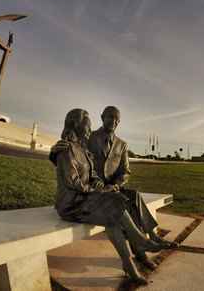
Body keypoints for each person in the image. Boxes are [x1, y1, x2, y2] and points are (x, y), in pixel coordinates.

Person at [50, 106, 176, 270]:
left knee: (133, 197)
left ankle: (148, 240)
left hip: (105, 187)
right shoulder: (88, 136)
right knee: (119, 206)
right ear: (102, 117)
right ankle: (141, 247)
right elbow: (70, 160)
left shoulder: (122, 144)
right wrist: (54, 152)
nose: (113, 121)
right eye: (110, 117)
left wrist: (115, 185)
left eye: (117, 119)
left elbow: (125, 171)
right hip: (90, 192)